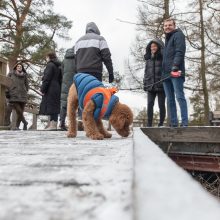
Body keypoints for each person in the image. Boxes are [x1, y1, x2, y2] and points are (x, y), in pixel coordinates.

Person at [162, 18, 188, 127]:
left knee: (179, 97)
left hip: (175, 72)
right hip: (166, 74)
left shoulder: (178, 35)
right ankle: (173, 123)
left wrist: (175, 66)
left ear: (174, 25)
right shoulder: (167, 39)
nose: (167, 27)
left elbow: (180, 51)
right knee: (170, 100)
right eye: (165, 25)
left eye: (170, 25)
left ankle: (185, 123)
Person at [143, 39, 166, 127]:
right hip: (150, 85)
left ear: (159, 47)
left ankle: (161, 123)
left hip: (161, 85)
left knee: (161, 105)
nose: (153, 48)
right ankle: (149, 124)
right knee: (149, 104)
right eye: (152, 46)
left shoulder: (163, 58)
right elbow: (146, 73)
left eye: (155, 46)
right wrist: (145, 84)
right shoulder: (148, 60)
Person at [39, 52, 62, 130]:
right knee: (55, 106)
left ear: (49, 57)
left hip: (50, 88)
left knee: (51, 106)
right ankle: (54, 124)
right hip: (57, 87)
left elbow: (47, 78)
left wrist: (43, 89)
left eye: (46, 57)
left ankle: (52, 125)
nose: (46, 59)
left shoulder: (50, 65)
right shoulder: (59, 65)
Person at [5, 62, 29, 130]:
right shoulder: (11, 74)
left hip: (23, 95)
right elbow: (7, 83)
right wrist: (7, 92)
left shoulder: (24, 75)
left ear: (22, 68)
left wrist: (25, 90)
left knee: (21, 111)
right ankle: (25, 122)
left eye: (20, 67)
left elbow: (27, 85)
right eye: (18, 66)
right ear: (16, 67)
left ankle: (17, 126)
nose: (19, 67)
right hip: (13, 94)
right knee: (19, 111)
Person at [59, 47, 76, 130]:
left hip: (65, 83)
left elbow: (62, 71)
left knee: (64, 103)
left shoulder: (64, 60)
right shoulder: (77, 59)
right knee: (76, 103)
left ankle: (62, 122)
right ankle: (75, 124)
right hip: (75, 83)